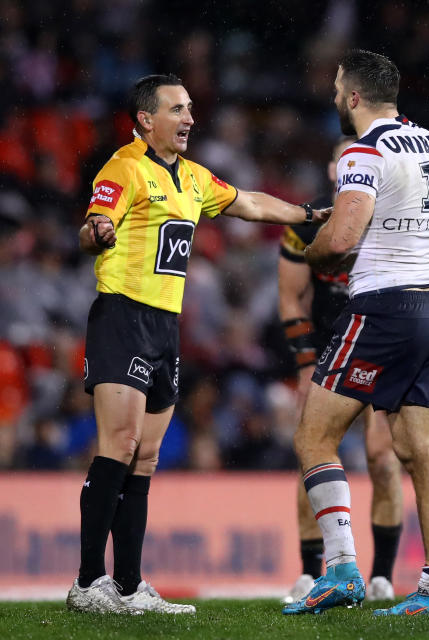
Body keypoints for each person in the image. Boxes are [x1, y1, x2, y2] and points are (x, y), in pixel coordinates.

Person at [69, 74, 323, 615]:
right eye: (177, 110)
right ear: (146, 119)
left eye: (190, 109)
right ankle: (89, 583)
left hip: (165, 326)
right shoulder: (124, 167)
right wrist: (98, 233)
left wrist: (305, 215)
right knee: (119, 443)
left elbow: (248, 202)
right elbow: (92, 227)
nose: (189, 118)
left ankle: (131, 586)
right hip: (122, 316)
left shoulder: (191, 178)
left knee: (148, 456)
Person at [282, 49, 429, 617]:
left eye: (338, 88)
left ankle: (340, 571)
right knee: (424, 452)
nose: (335, 96)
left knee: (313, 437)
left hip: (384, 308)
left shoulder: (364, 150)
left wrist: (312, 249)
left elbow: (341, 237)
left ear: (354, 97)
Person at [278, 136, 403, 603]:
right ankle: (311, 571)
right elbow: (290, 296)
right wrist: (306, 363)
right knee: (311, 452)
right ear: (335, 171)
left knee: (383, 458)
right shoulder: (306, 222)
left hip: (383, 349)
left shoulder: (392, 219)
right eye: (344, 162)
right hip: (330, 354)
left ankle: (382, 576)